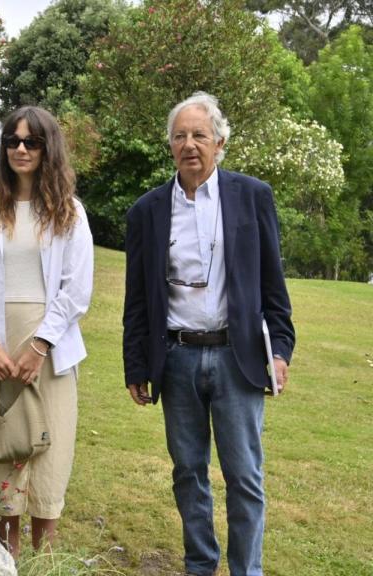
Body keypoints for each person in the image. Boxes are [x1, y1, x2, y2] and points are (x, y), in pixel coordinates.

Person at [122, 92, 295, 576]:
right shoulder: (147, 212)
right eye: (180, 136)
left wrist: (279, 349)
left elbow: (272, 286)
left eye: (199, 135)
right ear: (170, 146)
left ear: (219, 142)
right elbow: (137, 300)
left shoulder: (252, 196)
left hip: (237, 359)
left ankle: (247, 570)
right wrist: (136, 365)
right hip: (176, 360)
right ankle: (200, 564)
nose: (189, 144)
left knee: (244, 477)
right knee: (188, 473)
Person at [0, 106, 93, 555]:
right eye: (12, 141)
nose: (19, 149)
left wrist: (40, 345)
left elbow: (77, 289)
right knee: (5, 454)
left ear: (47, 148)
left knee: (48, 454)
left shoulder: (69, 213)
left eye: (30, 142)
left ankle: (44, 561)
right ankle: (4, 558)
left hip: (50, 349)